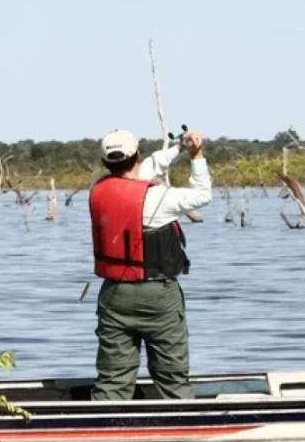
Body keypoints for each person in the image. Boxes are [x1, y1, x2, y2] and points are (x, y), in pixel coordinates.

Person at [88, 128, 212, 400]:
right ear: (138, 155)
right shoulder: (158, 197)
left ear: (105, 162)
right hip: (159, 296)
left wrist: (179, 148)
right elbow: (203, 194)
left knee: (112, 379)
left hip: (114, 295)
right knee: (172, 376)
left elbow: (147, 168)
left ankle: (105, 427)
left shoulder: (98, 190)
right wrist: (197, 155)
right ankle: (182, 423)